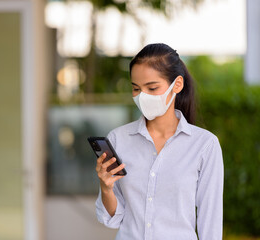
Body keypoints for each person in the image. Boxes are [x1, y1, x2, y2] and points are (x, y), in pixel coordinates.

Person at [95, 43, 224, 240]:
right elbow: (113, 219)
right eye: (136, 89)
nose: (142, 96)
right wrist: (106, 188)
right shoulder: (117, 140)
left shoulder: (205, 145)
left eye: (152, 88)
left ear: (177, 85)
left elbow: (210, 222)